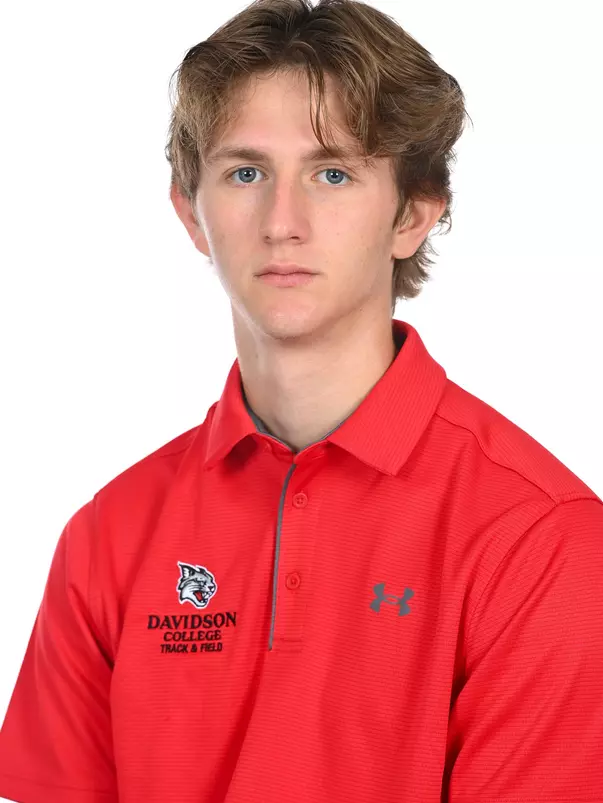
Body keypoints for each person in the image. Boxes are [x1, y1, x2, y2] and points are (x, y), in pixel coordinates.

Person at [1, 0, 602, 800]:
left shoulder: (538, 537)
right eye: (245, 173)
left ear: (413, 214)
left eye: (332, 173)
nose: (282, 222)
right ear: (191, 213)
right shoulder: (109, 535)